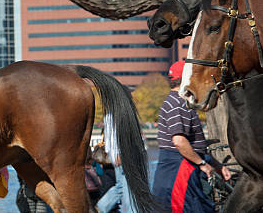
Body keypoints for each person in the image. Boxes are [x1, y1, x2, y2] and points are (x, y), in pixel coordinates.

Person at [152, 60, 231, 212]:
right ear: (188, 78)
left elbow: (195, 144)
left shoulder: (181, 102)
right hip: (178, 170)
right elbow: (179, 142)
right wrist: (203, 164)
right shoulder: (177, 104)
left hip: (182, 169)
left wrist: (217, 166)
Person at [95, 113, 135, 213]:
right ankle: (101, 207)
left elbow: (109, 139)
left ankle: (100, 208)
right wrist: (118, 154)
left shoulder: (109, 115)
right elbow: (116, 136)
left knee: (121, 186)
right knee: (129, 187)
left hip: (118, 155)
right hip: (123, 155)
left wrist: (113, 154)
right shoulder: (119, 113)